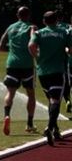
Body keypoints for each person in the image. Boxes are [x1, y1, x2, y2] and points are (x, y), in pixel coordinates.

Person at [28, 11, 71, 146]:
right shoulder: (64, 32)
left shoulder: (39, 33)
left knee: (51, 101)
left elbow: (31, 46)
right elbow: (70, 50)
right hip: (58, 71)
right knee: (55, 101)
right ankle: (50, 128)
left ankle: (56, 129)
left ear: (44, 21)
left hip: (43, 72)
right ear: (56, 20)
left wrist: (37, 57)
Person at [0, 6, 37, 135]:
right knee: (30, 94)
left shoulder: (11, 27)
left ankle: (7, 115)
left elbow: (0, 46)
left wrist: (12, 51)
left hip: (12, 64)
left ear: (17, 15)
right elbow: (35, 44)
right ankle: (30, 123)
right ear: (29, 15)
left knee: (10, 93)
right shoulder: (32, 27)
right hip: (27, 65)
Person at [56, 11, 72, 113]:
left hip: (60, 57)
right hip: (68, 57)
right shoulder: (68, 26)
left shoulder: (56, 27)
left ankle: (67, 100)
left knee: (64, 81)